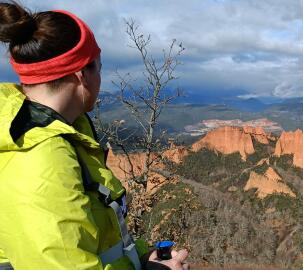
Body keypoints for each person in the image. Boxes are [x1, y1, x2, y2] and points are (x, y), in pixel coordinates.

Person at [0, 2, 188, 269]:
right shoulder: (40, 158)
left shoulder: (65, 131)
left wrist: (143, 259)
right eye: (98, 67)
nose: (100, 77)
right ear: (81, 75)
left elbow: (94, 240)